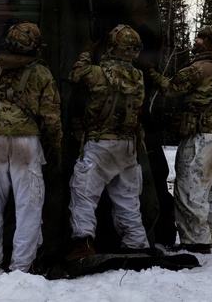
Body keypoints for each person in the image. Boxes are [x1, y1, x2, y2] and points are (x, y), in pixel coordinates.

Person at [0, 22, 63, 274]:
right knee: (28, 207)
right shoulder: (42, 74)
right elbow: (52, 117)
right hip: (27, 143)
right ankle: (22, 265)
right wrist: (56, 146)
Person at [141, 25, 212, 254]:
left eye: (201, 38)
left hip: (197, 138)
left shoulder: (200, 67)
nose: (196, 40)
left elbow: (171, 88)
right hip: (211, 136)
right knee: (209, 192)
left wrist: (150, 71)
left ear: (209, 42)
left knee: (190, 189)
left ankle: (195, 242)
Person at [65, 24, 149, 261]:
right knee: (128, 199)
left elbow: (74, 75)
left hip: (100, 144)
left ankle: (83, 244)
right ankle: (136, 243)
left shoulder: (97, 73)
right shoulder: (138, 77)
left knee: (84, 194)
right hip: (128, 145)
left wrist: (87, 52)